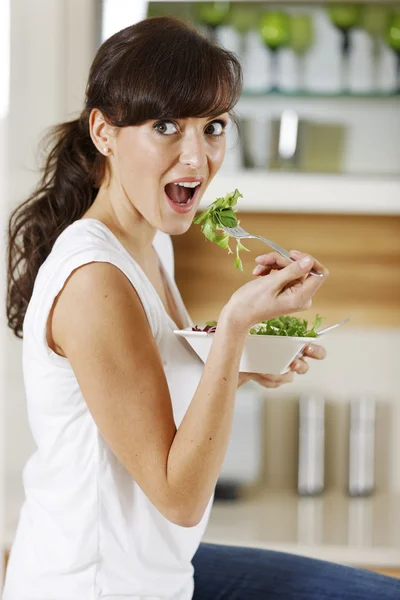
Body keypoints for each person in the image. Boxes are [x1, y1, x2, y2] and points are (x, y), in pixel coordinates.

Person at [3, 16, 399, 600]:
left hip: (162, 573)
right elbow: (179, 495)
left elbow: (154, 398)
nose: (197, 157)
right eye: (166, 126)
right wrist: (234, 329)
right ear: (104, 132)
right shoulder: (95, 281)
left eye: (213, 127)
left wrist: (242, 365)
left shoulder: (152, 242)